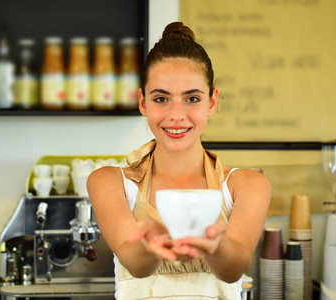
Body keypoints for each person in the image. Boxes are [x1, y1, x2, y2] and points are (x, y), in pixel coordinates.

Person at [87, 22, 271, 299]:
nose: (176, 115)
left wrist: (218, 244)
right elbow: (135, 265)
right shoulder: (108, 182)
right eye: (161, 98)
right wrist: (148, 246)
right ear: (142, 102)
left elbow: (233, 269)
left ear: (211, 102)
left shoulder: (248, 185)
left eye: (192, 98)